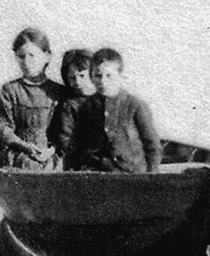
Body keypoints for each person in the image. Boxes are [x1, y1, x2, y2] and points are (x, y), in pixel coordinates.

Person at [65, 46, 160, 174]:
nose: (103, 81)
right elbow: (75, 146)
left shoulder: (135, 105)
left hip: (132, 177)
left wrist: (152, 178)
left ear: (121, 76)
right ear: (91, 77)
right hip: (97, 176)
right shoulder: (87, 107)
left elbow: (152, 145)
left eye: (109, 75)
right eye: (98, 75)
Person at [0, 29, 65, 167]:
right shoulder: (9, 90)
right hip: (18, 153)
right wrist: (25, 147)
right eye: (21, 56)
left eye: (32, 55)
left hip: (52, 153)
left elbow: (66, 129)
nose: (27, 61)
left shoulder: (59, 91)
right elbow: (0, 127)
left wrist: (52, 150)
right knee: (28, 165)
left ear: (47, 56)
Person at [47, 47, 97, 164]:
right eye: (72, 78)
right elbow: (65, 138)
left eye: (82, 75)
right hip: (81, 160)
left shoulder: (107, 100)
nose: (77, 82)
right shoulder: (70, 106)